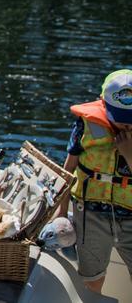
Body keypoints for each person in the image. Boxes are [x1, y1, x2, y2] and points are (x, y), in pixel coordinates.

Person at [54, 69, 132, 293]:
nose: (127, 126)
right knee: (92, 277)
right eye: (121, 119)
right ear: (103, 105)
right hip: (91, 214)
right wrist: (61, 214)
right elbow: (68, 171)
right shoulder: (85, 126)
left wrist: (128, 153)